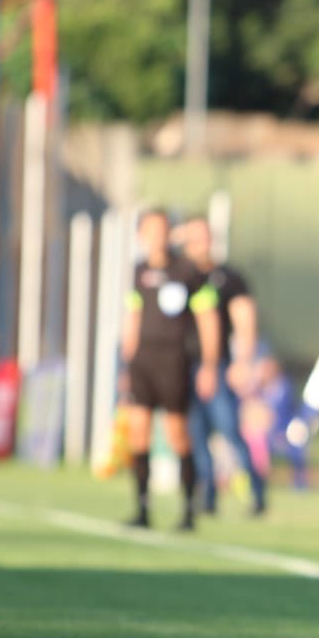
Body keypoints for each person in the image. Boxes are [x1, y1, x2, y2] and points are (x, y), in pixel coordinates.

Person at [120, 209, 221, 531]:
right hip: (143, 361)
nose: (156, 237)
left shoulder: (187, 271)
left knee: (177, 433)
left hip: (174, 361)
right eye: (149, 230)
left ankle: (189, 508)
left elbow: (208, 319)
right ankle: (142, 508)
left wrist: (208, 364)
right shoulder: (138, 271)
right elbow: (133, 317)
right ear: (140, 236)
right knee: (138, 431)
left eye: (161, 230)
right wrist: (127, 361)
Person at [178, 217, 268, 515]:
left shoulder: (227, 278)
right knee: (196, 433)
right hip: (181, 366)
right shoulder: (179, 276)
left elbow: (245, 320)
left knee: (228, 429)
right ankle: (208, 497)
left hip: (215, 366)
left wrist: (243, 361)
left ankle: (256, 491)